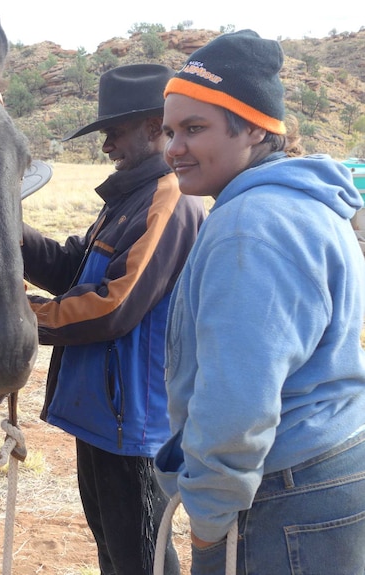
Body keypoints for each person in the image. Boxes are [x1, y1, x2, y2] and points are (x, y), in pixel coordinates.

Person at [156, 30, 365, 574]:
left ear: (253, 126)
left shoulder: (251, 225)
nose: (173, 148)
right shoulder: (305, 203)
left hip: (280, 491)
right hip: (330, 467)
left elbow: (237, 403)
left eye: (194, 128)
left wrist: (208, 517)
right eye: (170, 130)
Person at [20, 64, 206, 574]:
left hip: (135, 426)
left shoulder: (169, 198)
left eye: (114, 132)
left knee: (140, 560)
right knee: (115, 552)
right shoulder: (128, 199)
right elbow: (69, 268)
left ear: (154, 127)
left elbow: (114, 305)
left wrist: (20, 318)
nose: (106, 146)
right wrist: (6, 229)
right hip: (103, 417)